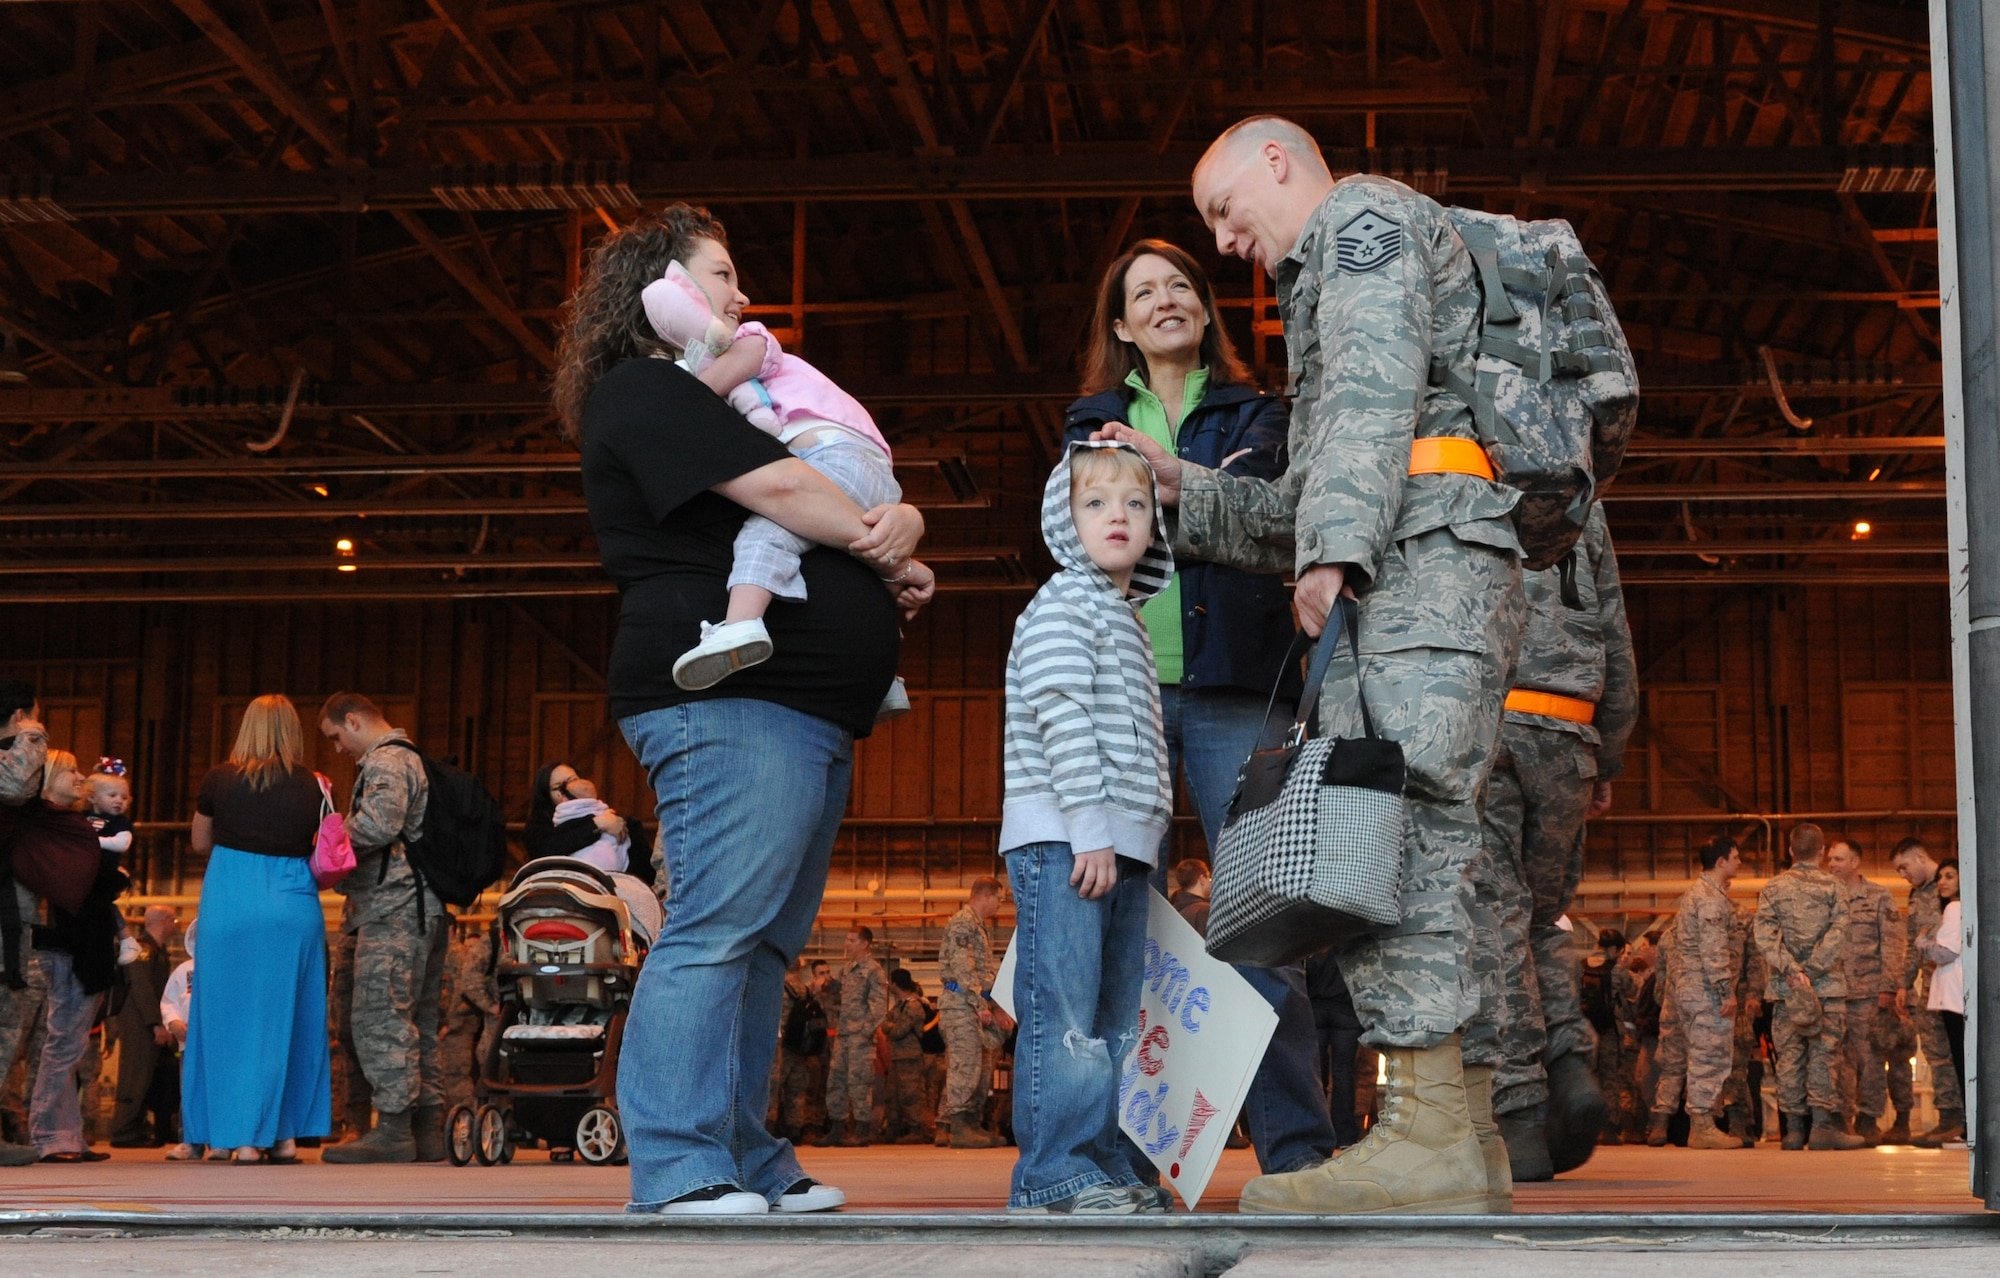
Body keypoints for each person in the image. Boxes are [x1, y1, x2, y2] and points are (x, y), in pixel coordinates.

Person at [1104, 116, 1527, 1214]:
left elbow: (1377, 394)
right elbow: (1301, 497)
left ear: (1275, 162)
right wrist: (1181, 491)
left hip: (1415, 568)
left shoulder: (1359, 222)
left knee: (1410, 833)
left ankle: (1425, 1138)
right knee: (1430, 838)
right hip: (1418, 557)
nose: (1225, 238)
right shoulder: (1325, 271)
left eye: (1221, 208)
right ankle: (1462, 1137)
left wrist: (1334, 551)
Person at [556, 202, 933, 1216]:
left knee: (762, 940)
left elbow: (816, 488)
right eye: (717, 274)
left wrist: (893, 527)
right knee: (718, 927)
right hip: (730, 700)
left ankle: (746, 1156)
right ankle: (678, 1164)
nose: (739, 294)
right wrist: (878, 530)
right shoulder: (644, 391)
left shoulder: (744, 395)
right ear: (660, 289)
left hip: (803, 708)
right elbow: (779, 488)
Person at [1066, 239, 1337, 1185]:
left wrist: (1159, 481)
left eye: (1181, 285)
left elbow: (1272, 514)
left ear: (1206, 310)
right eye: (1145, 292)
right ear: (1121, 325)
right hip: (1128, 692)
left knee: (1266, 923)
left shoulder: (1261, 410)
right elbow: (1082, 533)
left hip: (1237, 687)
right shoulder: (1090, 419)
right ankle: (1130, 1160)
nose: (1167, 299)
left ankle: (1298, 1151)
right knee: (1120, 926)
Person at [998, 441, 1173, 1216]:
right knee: (1066, 1016)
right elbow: (1062, 714)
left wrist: (1136, 837)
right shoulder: (1066, 602)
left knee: (1111, 1024)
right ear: (1064, 522)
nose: (1119, 518)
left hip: (1118, 845)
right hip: (1070, 841)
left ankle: (1099, 1165)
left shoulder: (1124, 619)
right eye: (1096, 504)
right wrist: (1090, 829)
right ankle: (1053, 1174)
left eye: (1136, 505)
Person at [642, 242, 917, 722]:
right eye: (723, 275)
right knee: (846, 561)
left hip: (834, 453)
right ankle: (884, 676)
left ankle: (741, 624)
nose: (742, 295)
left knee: (767, 532)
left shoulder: (752, 338)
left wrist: (684, 395)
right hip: (864, 467)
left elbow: (703, 394)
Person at [1464, 504, 1638, 1180]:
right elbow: (1615, 635)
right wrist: (1609, 757)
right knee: (1543, 916)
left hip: (1488, 723)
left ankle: (1520, 1119)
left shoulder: (1454, 475)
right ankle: (1568, 1060)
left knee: (1496, 920)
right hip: (1570, 731)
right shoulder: (1581, 501)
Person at [180, 696, 332, 1164]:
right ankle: (280, 1135)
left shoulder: (219, 779)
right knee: (288, 1018)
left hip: (232, 898)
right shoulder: (316, 785)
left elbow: (199, 841)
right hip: (293, 902)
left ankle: (230, 1136)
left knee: (223, 1019)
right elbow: (326, 849)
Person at [317, 693, 445, 1165]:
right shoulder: (409, 759)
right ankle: (425, 1127)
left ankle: (393, 1128)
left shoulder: (387, 761)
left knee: (379, 1015)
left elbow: (378, 824)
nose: (337, 749)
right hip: (418, 906)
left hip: (393, 908)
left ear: (353, 721)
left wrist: (322, 845)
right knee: (418, 1019)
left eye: (336, 737)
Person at [29, 750, 128, 1162]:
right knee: (63, 1045)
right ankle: (45, 1133)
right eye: (69, 770)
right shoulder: (49, 824)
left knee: (70, 1046)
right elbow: (83, 877)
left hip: (83, 939)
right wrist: (116, 878)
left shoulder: (72, 823)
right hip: (67, 942)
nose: (79, 776)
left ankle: (69, 1134)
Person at [1754, 823, 1864, 1151]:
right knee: (1824, 1055)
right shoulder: (1834, 887)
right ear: (1821, 852)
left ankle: (1792, 1132)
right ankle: (1821, 1128)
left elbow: (1764, 936)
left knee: (1789, 1057)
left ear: (1790, 851)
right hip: (1826, 987)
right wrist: (1813, 970)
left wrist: (1792, 970)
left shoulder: (1773, 888)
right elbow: (1838, 931)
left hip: (1787, 989)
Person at [1647, 838, 1744, 1150]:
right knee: (1709, 1054)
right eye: (1736, 857)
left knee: (1690, 1057)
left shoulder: (1695, 894)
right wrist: (1724, 990)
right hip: (1704, 989)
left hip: (1686, 987)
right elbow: (1714, 947)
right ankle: (1702, 1125)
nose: (1739, 862)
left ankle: (1684, 1123)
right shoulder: (1711, 898)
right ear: (1721, 862)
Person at [1824, 838, 1904, 1145]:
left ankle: (1869, 1118)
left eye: (1838, 859)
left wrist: (1888, 985)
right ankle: (1841, 1120)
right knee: (1836, 1059)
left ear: (1855, 862)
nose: (1832, 864)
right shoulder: (1824, 898)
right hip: (1832, 993)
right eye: (1830, 859)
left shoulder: (1878, 896)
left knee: (1870, 1058)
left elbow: (1893, 943)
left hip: (1869, 993)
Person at [0, 680, 50, 1168]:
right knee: (5, 1016)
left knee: (9, 1017)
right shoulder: (16, 754)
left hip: (12, 910)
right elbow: (15, 785)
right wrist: (31, 734)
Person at [1890, 838, 1963, 1146]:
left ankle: (1957, 1117)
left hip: (1953, 981)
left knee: (1952, 1051)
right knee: (1935, 1052)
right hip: (1930, 985)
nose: (1903, 875)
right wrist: (1905, 984)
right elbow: (1911, 944)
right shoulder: (1917, 895)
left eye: (1904, 867)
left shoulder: (1951, 889)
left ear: (1920, 856)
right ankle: (1948, 1115)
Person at [937, 877, 1004, 1149]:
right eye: (1000, 898)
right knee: (965, 1065)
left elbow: (983, 973)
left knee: (979, 1066)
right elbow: (964, 969)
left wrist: (993, 1005)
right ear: (986, 895)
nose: (1000, 904)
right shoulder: (963, 922)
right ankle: (960, 1128)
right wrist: (980, 1005)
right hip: (960, 1004)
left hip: (972, 1003)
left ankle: (972, 1124)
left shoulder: (978, 924)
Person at [109, 905, 177, 1147]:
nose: (176, 924)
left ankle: (136, 1128)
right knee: (135, 1074)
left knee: (145, 1074)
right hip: (138, 1020)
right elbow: (141, 988)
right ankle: (124, 1131)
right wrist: (155, 1024)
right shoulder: (142, 950)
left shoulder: (157, 950)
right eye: (173, 919)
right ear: (163, 920)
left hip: (146, 1020)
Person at [524, 763, 644, 883]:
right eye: (557, 787)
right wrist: (596, 824)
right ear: (546, 794)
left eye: (573, 780)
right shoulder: (539, 824)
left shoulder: (608, 814)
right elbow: (547, 849)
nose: (567, 789)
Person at [826, 925, 888, 1146]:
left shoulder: (874, 971)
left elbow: (879, 1007)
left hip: (860, 1037)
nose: (847, 944)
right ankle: (837, 1127)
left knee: (860, 1081)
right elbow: (838, 1000)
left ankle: (862, 1129)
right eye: (847, 939)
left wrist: (865, 1031)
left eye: (852, 940)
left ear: (864, 944)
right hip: (843, 1035)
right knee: (837, 1079)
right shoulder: (846, 969)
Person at [1919, 857, 1964, 1138]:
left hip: (1954, 996)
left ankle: (1969, 1124)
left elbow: (1945, 952)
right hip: (1957, 995)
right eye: (1940, 877)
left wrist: (1922, 943)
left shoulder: (1955, 909)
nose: (1942, 882)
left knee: (1960, 1060)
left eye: (1950, 876)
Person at [1580, 929, 1637, 1144]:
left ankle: (1586, 1129)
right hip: (1609, 1032)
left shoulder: (1582, 966)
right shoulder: (1617, 971)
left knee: (1589, 1079)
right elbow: (1633, 991)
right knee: (1610, 1080)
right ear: (1614, 949)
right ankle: (1609, 1129)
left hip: (1585, 1033)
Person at [439, 924, 499, 1116]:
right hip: (453, 1023)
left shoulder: (456, 953)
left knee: (456, 1077)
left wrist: (451, 1023)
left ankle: (469, 1120)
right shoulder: (445, 952)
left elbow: (461, 988)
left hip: (458, 1025)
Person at [775, 957, 830, 1144]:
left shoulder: (778, 988)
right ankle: (795, 1130)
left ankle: (770, 1128)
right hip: (801, 1047)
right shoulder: (806, 991)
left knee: (774, 1089)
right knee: (797, 1091)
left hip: (781, 1046)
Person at [159, 924, 199, 1161]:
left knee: (217, 1092)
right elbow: (169, 1001)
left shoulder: (230, 968)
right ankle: (189, 1142)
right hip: (188, 1044)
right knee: (189, 1092)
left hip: (220, 1046)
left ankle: (220, 1142)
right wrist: (173, 1022)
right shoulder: (184, 971)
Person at [880, 967, 933, 1144]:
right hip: (897, 1056)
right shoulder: (900, 1004)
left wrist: (887, 1026)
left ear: (895, 984)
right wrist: (889, 1024)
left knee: (911, 1094)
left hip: (910, 1056)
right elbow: (890, 1021)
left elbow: (897, 1031)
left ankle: (917, 1130)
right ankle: (894, 1129)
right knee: (893, 1095)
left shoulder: (913, 1005)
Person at [1168, 860, 1211, 934]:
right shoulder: (1204, 911)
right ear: (1202, 879)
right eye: (1209, 877)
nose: (1211, 882)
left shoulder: (1173, 909)